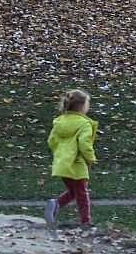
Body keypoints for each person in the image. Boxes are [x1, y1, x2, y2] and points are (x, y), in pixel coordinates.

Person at [44, 88, 97, 227]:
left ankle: (56, 204)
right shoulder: (84, 124)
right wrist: (90, 159)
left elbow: (51, 141)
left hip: (62, 163)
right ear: (83, 107)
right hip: (77, 163)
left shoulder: (59, 122)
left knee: (74, 191)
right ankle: (86, 221)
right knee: (82, 193)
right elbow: (85, 144)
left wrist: (62, 154)